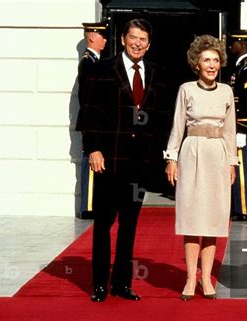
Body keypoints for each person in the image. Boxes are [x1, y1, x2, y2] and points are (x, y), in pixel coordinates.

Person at [80, 18, 161, 303]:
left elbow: (156, 120)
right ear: (124, 39)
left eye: (143, 39)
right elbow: (88, 110)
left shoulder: (152, 72)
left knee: (129, 225)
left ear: (149, 44)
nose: (138, 43)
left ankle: (122, 284)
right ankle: (100, 284)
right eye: (133, 37)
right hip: (108, 159)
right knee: (103, 224)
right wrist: (93, 148)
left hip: (137, 164)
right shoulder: (103, 68)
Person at [164, 35, 237, 301]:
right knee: (192, 218)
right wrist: (171, 159)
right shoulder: (186, 89)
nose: (211, 65)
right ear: (196, 63)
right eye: (206, 60)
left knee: (213, 220)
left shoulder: (227, 91)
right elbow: (177, 126)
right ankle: (190, 279)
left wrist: (232, 162)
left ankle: (206, 279)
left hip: (217, 154)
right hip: (192, 153)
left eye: (216, 60)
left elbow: (231, 130)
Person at [75, 21, 108, 219]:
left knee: (96, 163)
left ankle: (95, 203)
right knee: (90, 163)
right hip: (91, 120)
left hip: (96, 121)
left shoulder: (94, 61)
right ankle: (88, 207)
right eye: (102, 36)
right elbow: (88, 98)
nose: (105, 40)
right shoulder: (88, 62)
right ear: (92, 37)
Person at [227, 30, 247, 222]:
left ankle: (243, 209)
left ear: (243, 44)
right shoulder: (239, 67)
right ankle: (238, 207)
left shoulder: (246, 68)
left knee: (242, 169)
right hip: (236, 126)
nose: (230, 47)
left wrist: (242, 129)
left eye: (233, 43)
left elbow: (246, 101)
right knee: (236, 168)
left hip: (241, 127)